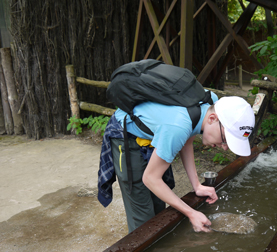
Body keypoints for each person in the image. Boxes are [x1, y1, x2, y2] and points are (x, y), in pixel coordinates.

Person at [98, 84, 255, 233]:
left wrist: (197, 186)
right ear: (213, 119)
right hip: (126, 134)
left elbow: (187, 140)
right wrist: (191, 213)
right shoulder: (178, 127)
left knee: (158, 203)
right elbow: (151, 178)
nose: (225, 147)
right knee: (142, 213)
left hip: (158, 133)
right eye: (225, 139)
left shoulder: (210, 101)